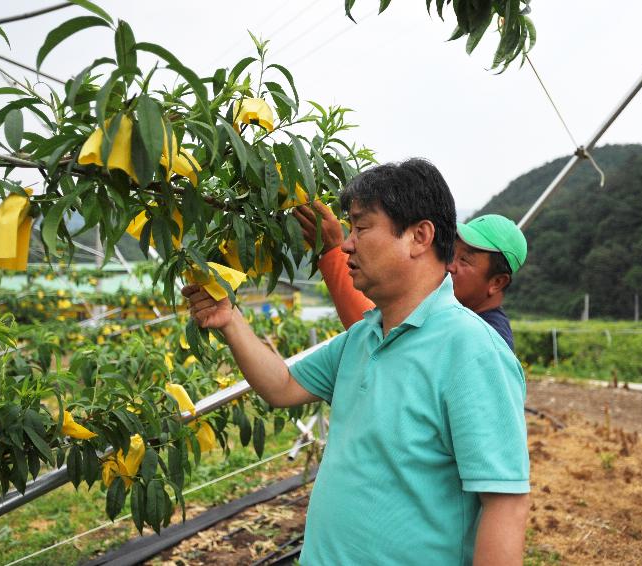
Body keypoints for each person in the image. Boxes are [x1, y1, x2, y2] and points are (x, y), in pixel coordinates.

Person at [183, 159, 529, 565]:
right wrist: (230, 320)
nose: (347, 243)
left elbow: (505, 504)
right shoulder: (364, 335)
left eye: (361, 228)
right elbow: (281, 385)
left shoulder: (473, 350)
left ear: (419, 237)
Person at [295, 203, 526, 350]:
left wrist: (333, 252)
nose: (450, 266)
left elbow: (386, 344)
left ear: (497, 283)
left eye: (464, 260)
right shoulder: (444, 314)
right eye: (452, 254)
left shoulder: (489, 341)